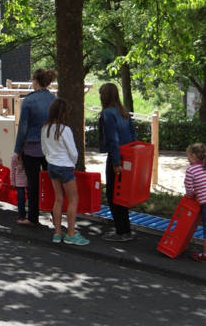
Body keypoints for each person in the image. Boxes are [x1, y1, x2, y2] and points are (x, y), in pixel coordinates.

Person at [41, 98, 89, 245]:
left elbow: (44, 149)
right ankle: (70, 234)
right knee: (73, 199)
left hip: (52, 166)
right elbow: (73, 152)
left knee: (58, 199)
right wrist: (73, 164)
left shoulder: (45, 128)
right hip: (65, 167)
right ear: (63, 113)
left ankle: (56, 233)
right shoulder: (65, 130)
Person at [13, 68, 56, 226]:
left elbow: (23, 128)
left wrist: (17, 150)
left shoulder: (28, 101)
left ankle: (33, 217)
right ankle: (54, 213)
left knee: (33, 183)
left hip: (31, 148)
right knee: (52, 182)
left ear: (35, 81)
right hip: (50, 148)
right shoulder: (54, 100)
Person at [99, 83, 136, 241]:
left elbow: (113, 140)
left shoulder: (107, 114)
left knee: (112, 194)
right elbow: (133, 136)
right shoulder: (124, 113)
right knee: (122, 194)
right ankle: (125, 229)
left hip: (116, 158)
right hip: (128, 157)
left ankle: (121, 232)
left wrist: (115, 163)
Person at [184, 143, 206, 262]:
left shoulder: (191, 170)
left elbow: (189, 189)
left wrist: (190, 195)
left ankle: (205, 255)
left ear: (192, 156)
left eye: (187, 155)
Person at [10, 152, 28, 222]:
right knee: (21, 199)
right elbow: (12, 171)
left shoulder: (28, 155)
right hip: (19, 183)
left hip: (28, 182)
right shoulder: (14, 156)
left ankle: (30, 216)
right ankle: (21, 215)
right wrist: (13, 182)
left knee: (30, 199)